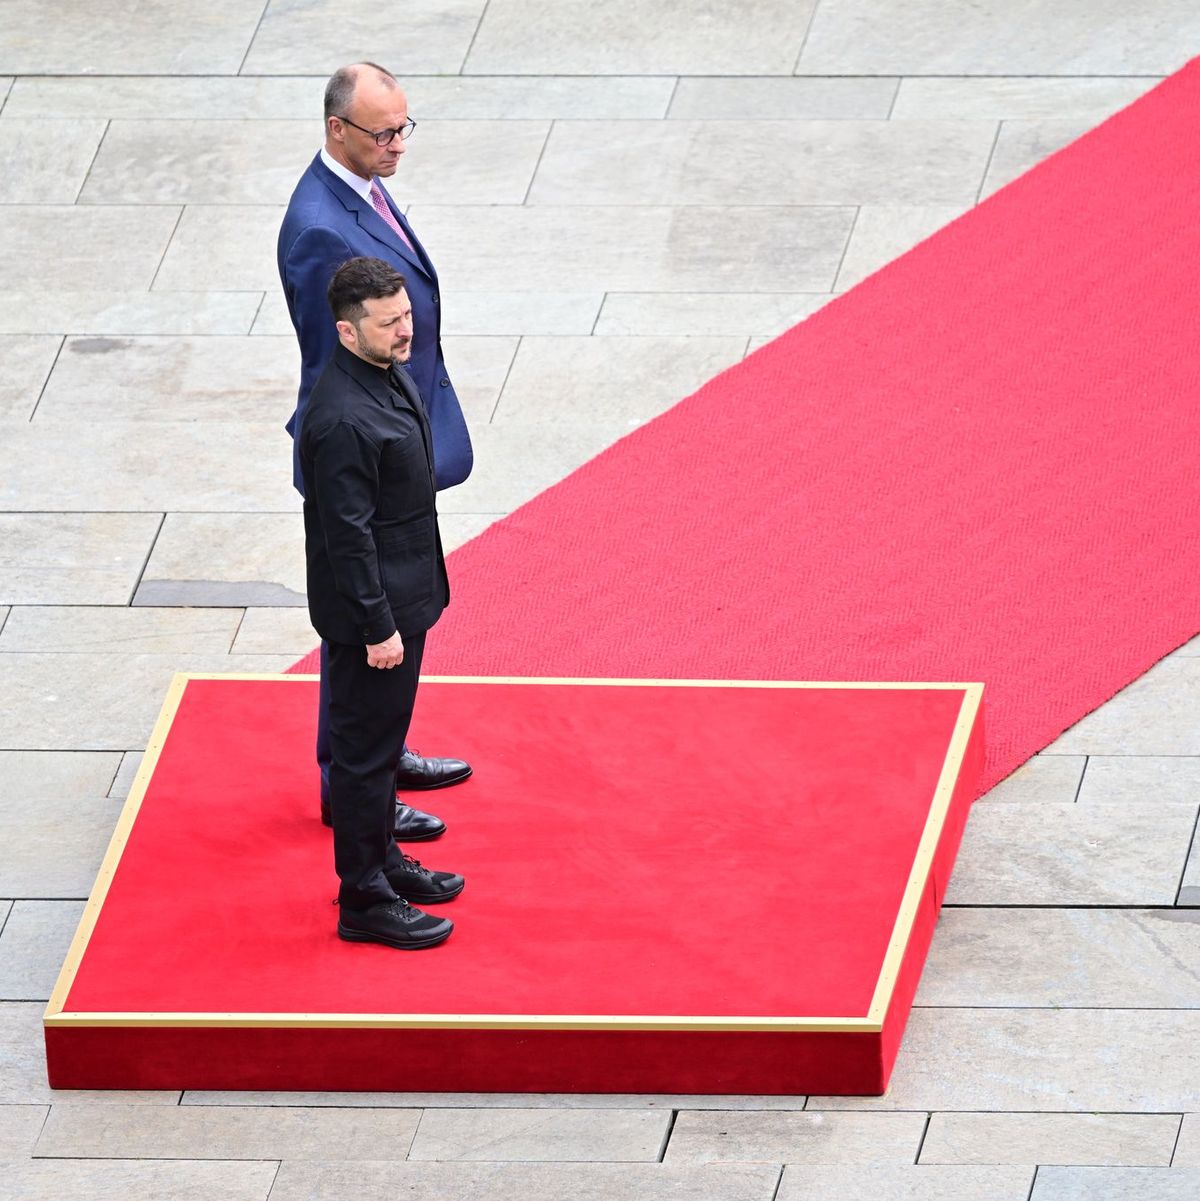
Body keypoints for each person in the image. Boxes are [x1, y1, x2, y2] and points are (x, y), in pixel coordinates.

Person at [279, 61, 473, 838]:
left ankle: (377, 755)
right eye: (383, 133)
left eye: (403, 128)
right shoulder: (320, 227)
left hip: (394, 441)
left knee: (385, 620)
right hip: (367, 461)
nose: (398, 145)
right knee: (364, 631)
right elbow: (336, 366)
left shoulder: (358, 184)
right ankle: (353, 785)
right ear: (338, 130)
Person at [300, 257, 463, 950]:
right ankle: (363, 896)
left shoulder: (382, 370)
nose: (406, 330)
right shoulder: (339, 418)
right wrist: (378, 626)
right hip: (377, 617)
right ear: (345, 330)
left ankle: (386, 864)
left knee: (380, 744)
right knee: (365, 760)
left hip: (403, 596)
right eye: (389, 321)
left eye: (406, 315)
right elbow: (347, 535)